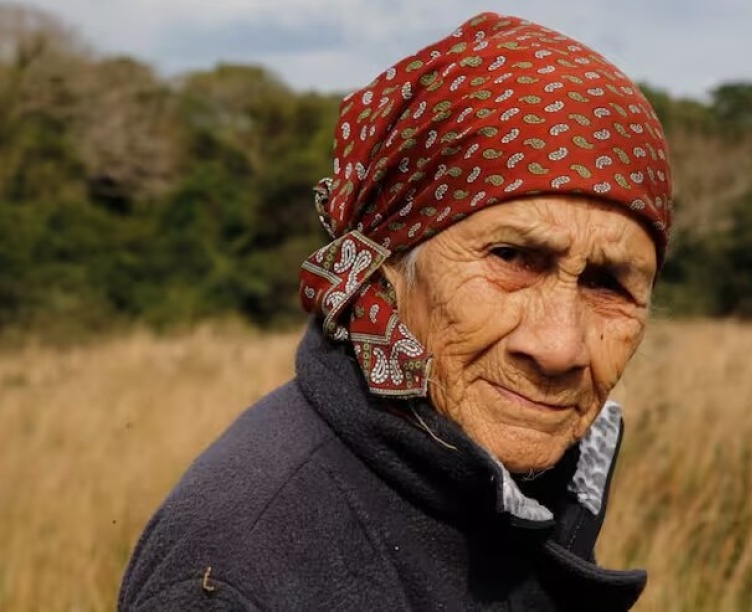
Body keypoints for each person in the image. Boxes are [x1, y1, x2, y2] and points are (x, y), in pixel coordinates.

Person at [118, 11, 672, 611]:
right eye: (511, 257)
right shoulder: (241, 575)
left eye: (609, 284)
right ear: (388, 263)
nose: (560, 347)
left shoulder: (515, 493)